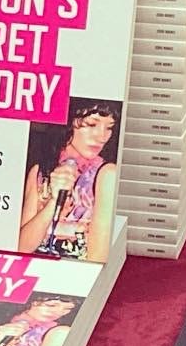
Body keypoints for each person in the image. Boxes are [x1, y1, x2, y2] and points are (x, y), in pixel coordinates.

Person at [18, 100, 119, 262]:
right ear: (69, 122)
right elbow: (21, 248)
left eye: (109, 128)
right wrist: (53, 202)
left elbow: (97, 260)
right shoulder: (40, 171)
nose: (102, 137)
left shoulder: (107, 175)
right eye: (92, 124)